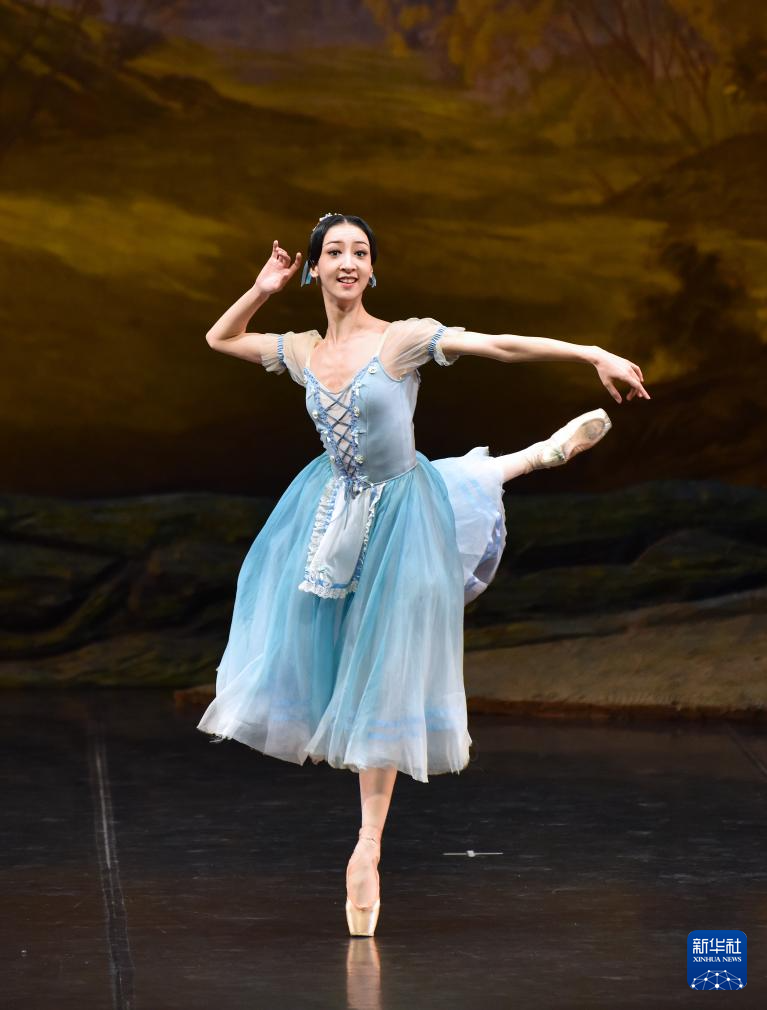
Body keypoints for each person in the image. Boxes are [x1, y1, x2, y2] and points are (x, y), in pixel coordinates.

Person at [196, 212, 650, 937]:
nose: (348, 262)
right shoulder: (302, 350)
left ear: (373, 270)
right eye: (334, 252)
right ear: (314, 268)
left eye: (360, 252)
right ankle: (529, 458)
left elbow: (498, 345)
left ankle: (367, 848)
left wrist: (590, 351)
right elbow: (220, 339)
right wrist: (261, 288)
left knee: (385, 670)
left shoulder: (400, 339)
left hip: (404, 515)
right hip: (332, 513)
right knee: (330, 656)